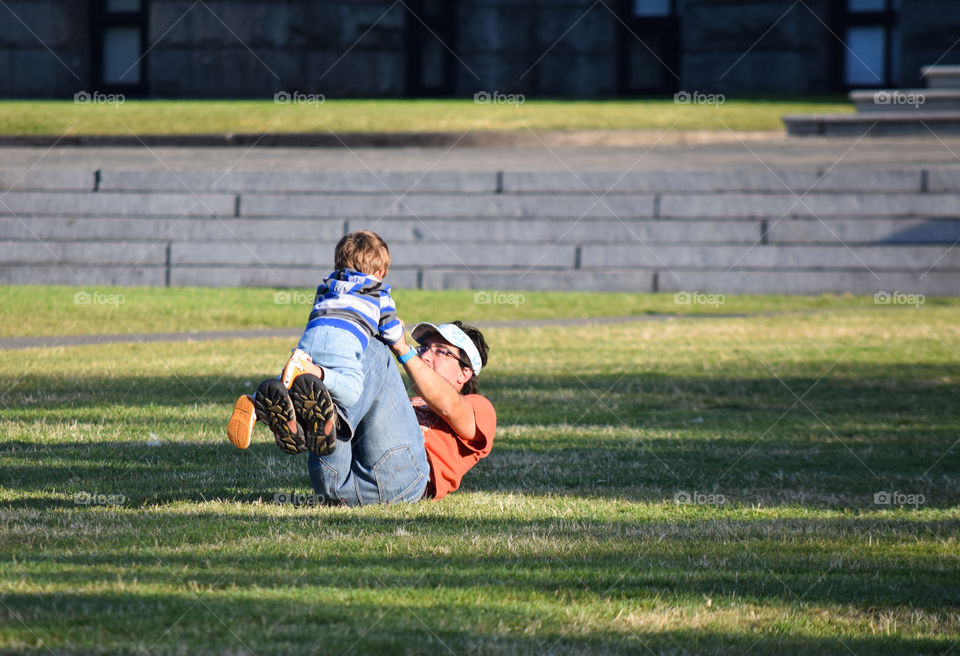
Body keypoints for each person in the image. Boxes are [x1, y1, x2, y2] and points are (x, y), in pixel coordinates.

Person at [251, 319, 496, 505]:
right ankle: (303, 418)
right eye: (424, 347)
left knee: (376, 347)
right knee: (352, 368)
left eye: (441, 350)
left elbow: (448, 405)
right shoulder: (405, 402)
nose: (425, 354)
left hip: (405, 482)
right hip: (333, 482)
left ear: (464, 373)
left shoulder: (479, 407)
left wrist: (401, 348)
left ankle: (316, 412)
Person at [226, 230, 403, 454]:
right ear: (381, 272)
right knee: (352, 390)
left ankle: (253, 404)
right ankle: (312, 373)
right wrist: (398, 331)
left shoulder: (327, 286)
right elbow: (391, 333)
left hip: (311, 339)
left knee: (288, 385)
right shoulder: (380, 294)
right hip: (344, 343)